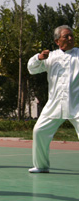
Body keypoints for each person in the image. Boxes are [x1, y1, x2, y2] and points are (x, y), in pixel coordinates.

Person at [27, 25, 79, 173]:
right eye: (66, 36)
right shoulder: (51, 56)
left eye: (72, 36)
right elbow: (31, 68)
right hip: (55, 104)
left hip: (76, 104)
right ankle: (41, 166)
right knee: (39, 131)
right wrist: (39, 57)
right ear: (57, 41)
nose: (70, 39)